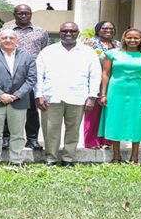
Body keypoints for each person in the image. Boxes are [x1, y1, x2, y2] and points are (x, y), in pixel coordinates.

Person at [35, 22, 101, 167]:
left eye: (72, 31)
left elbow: (95, 75)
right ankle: (51, 158)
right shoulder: (48, 51)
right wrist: (39, 95)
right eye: (65, 31)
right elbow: (38, 75)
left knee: (73, 130)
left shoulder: (88, 52)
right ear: (60, 33)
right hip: (52, 96)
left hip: (78, 97)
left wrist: (92, 97)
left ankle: (68, 158)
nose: (68, 33)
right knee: (50, 130)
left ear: (78, 32)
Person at [0, 29, 37, 168]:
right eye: (4, 38)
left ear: (17, 41)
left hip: (19, 101)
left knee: (17, 133)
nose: (8, 40)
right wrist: (0, 94)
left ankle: (17, 160)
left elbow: (31, 79)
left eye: (11, 38)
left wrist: (16, 95)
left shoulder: (28, 58)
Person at [99, 28, 141, 164]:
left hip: (138, 91)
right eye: (129, 37)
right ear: (124, 38)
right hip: (116, 90)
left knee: (137, 121)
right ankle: (116, 156)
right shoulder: (112, 54)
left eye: (136, 38)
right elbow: (105, 74)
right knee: (115, 120)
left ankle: (135, 157)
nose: (132, 40)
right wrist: (103, 94)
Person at [0, 4, 48, 150]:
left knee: (32, 109)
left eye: (26, 13)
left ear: (31, 14)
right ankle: (6, 138)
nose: (23, 16)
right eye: (20, 13)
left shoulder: (41, 32)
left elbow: (44, 53)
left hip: (33, 75)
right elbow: (0, 51)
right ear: (14, 14)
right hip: (10, 74)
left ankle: (32, 138)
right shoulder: (5, 31)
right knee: (8, 106)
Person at [82, 20, 121, 149]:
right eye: (104, 28)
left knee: (110, 113)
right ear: (98, 30)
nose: (108, 30)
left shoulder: (118, 45)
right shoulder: (90, 43)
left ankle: (107, 141)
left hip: (114, 83)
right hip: (94, 81)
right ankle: (91, 141)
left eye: (111, 28)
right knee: (93, 113)